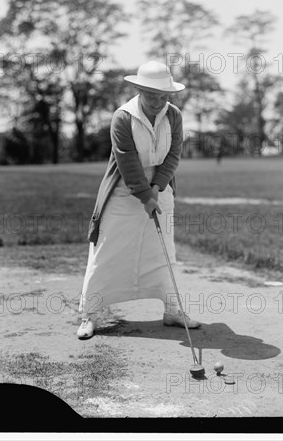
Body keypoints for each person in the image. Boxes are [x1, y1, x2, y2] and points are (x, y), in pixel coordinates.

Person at [77, 61, 201, 339]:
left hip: (161, 189)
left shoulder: (174, 116)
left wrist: (156, 188)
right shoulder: (122, 117)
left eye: (163, 95)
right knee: (107, 252)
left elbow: (173, 155)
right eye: (152, 94)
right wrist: (145, 195)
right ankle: (90, 315)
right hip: (123, 190)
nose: (158, 101)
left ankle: (172, 311)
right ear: (140, 90)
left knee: (163, 252)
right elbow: (127, 162)